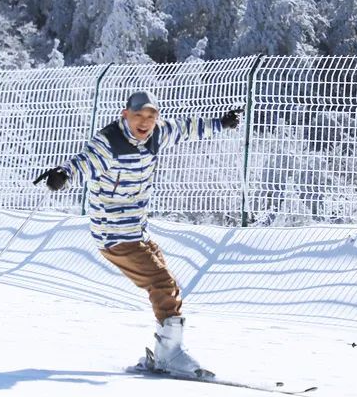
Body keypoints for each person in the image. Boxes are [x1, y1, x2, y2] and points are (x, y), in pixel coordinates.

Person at [34, 90, 242, 376]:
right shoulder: (109, 143)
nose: (144, 123)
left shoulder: (157, 133)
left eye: (150, 116)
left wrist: (221, 123)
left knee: (167, 284)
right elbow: (85, 162)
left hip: (136, 230)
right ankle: (170, 354)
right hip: (114, 233)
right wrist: (64, 175)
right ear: (125, 115)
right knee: (161, 282)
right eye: (138, 116)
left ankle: (163, 352)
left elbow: (185, 129)